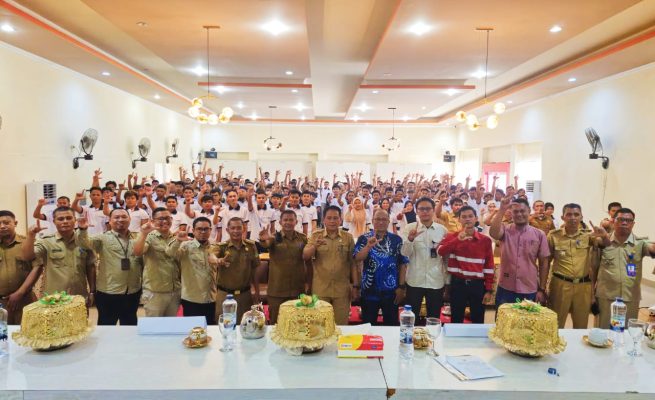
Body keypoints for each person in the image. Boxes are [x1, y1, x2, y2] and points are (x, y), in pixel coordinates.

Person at [77, 209, 143, 325]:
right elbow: (84, 243)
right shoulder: (103, 238)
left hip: (132, 291)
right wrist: (83, 230)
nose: (120, 219)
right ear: (110, 221)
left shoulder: (138, 238)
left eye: (124, 217)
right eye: (116, 217)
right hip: (109, 292)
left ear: (130, 219)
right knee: (106, 326)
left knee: (130, 325)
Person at [591, 208, 655, 328]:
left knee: (627, 332)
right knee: (604, 332)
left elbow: (652, 248)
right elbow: (593, 269)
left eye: (628, 220)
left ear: (633, 224)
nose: (624, 223)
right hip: (606, 297)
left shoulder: (640, 243)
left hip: (630, 298)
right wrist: (591, 296)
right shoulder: (601, 241)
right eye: (620, 219)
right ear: (613, 221)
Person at [22, 207, 96, 307]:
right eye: (60, 219)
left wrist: (92, 291)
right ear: (54, 221)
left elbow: (90, 267)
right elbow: (27, 257)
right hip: (54, 299)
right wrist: (31, 235)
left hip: (79, 297)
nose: (65, 221)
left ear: (75, 220)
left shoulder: (84, 241)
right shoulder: (46, 241)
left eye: (69, 218)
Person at [438, 206, 494, 323]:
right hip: (458, 283)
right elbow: (440, 251)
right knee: (456, 318)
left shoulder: (485, 240)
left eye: (470, 216)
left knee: (478, 319)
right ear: (459, 219)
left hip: (478, 285)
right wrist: (457, 240)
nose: (467, 219)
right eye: (463, 217)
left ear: (476, 218)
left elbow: (489, 267)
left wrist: (488, 290)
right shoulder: (452, 236)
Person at [490, 196, 550, 307]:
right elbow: (493, 233)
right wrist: (502, 209)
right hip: (506, 287)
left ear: (529, 211)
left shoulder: (539, 235)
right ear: (511, 213)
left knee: (527, 318)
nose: (519, 214)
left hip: (529, 287)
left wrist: (541, 289)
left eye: (522, 211)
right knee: (503, 317)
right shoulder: (505, 230)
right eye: (515, 212)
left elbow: (544, 263)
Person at [303, 205, 358, 325]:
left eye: (335, 218)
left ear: (340, 220)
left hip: (342, 290)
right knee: (319, 325)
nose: (332, 221)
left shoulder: (348, 238)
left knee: (341, 326)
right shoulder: (316, 236)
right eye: (329, 218)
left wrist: (355, 286)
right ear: (324, 220)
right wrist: (315, 246)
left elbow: (353, 263)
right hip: (320, 288)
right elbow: (305, 256)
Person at [354, 209, 408, 326]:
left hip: (391, 292)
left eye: (384, 219)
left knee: (391, 325)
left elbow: (402, 263)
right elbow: (357, 258)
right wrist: (368, 247)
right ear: (372, 221)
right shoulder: (364, 238)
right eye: (378, 219)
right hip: (369, 291)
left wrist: (401, 287)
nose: (381, 222)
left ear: (389, 221)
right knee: (368, 326)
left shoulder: (396, 240)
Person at [547, 203, 594, 329]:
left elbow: (604, 244)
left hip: (583, 286)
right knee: (556, 325)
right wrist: (542, 286)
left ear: (581, 217)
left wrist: (604, 235)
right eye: (569, 214)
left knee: (581, 325)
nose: (573, 218)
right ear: (563, 217)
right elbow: (546, 261)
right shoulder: (553, 235)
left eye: (576, 214)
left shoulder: (588, 236)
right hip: (560, 285)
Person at [401, 197, 448, 321]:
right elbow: (405, 253)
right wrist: (410, 239)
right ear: (416, 211)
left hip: (436, 280)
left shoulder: (442, 230)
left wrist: (447, 280)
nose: (425, 211)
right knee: (411, 318)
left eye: (428, 209)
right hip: (415, 280)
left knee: (434, 318)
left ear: (433, 210)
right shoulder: (409, 228)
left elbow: (446, 258)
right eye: (421, 209)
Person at [258, 210, 307, 324]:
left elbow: (308, 259)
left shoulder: (303, 238)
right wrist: (263, 239)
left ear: (296, 222)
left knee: (297, 324)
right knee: (276, 323)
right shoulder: (274, 237)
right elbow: (266, 244)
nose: (288, 222)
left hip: (297, 289)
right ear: (280, 222)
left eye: (291, 220)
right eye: (285, 220)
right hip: (277, 290)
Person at [166, 217, 218, 324]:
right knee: (192, 329)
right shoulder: (185, 246)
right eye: (199, 229)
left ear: (210, 230)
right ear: (193, 231)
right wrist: (178, 240)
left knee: (211, 329)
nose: (203, 232)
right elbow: (170, 253)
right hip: (192, 299)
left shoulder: (215, 247)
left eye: (206, 229)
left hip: (211, 297)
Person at [133, 207, 181, 317]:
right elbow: (137, 252)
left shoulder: (176, 238)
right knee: (154, 325)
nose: (165, 221)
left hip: (175, 291)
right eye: (161, 218)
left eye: (167, 218)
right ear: (153, 221)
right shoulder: (149, 237)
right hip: (155, 292)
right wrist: (143, 233)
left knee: (171, 324)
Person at [213, 217, 260, 323]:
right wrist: (218, 260)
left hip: (245, 295)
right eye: (233, 228)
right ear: (227, 230)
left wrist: (257, 292)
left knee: (246, 325)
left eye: (239, 228)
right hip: (225, 295)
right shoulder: (221, 247)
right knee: (224, 326)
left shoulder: (251, 246)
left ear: (244, 229)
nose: (236, 231)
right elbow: (211, 256)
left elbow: (254, 271)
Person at [1, 210, 38, 324]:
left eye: (6, 222)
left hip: (25, 299)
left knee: (29, 332)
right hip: (1, 303)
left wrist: (20, 293)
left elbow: (37, 267)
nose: (2, 226)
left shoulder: (27, 242)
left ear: (15, 223)